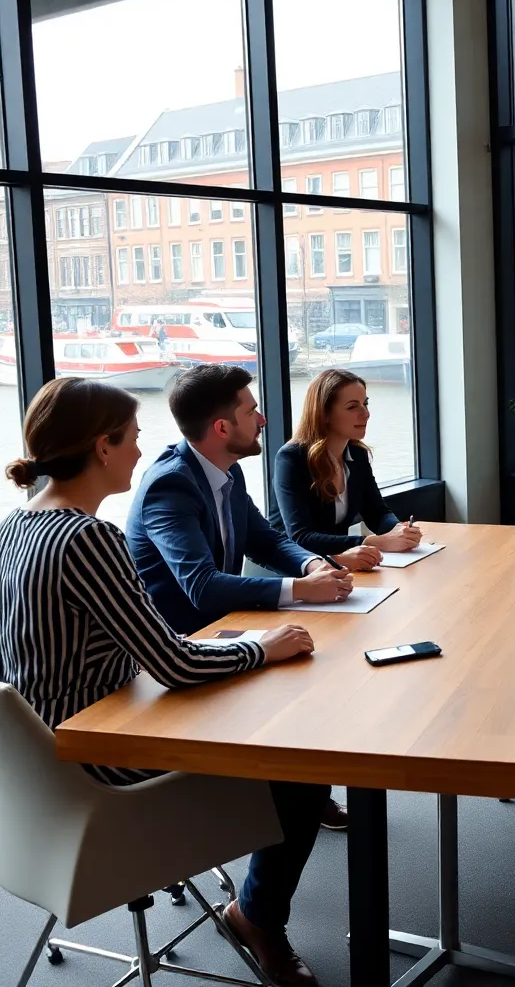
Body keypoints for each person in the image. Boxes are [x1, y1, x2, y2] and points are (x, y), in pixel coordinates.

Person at [1, 378, 328, 987]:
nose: (139, 451)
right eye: (131, 438)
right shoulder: (88, 538)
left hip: (39, 775)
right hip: (103, 764)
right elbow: (174, 666)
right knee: (302, 767)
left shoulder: (15, 527)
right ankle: (256, 917)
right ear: (102, 447)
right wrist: (263, 648)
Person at [126, 364, 352, 833]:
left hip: (221, 629)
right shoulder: (170, 485)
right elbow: (201, 586)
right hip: (177, 649)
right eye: (253, 411)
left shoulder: (226, 472)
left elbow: (265, 539)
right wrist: (298, 590)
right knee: (304, 683)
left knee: (321, 665)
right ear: (222, 427)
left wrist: (311, 565)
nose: (264, 420)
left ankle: (301, 794)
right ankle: (292, 800)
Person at [274, 368, 421, 567]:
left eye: (365, 404)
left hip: (336, 566)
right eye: (353, 407)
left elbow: (377, 512)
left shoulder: (357, 454)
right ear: (324, 413)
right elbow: (301, 537)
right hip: (292, 569)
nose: (366, 414)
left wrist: (397, 531)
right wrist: (368, 542)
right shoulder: (292, 458)